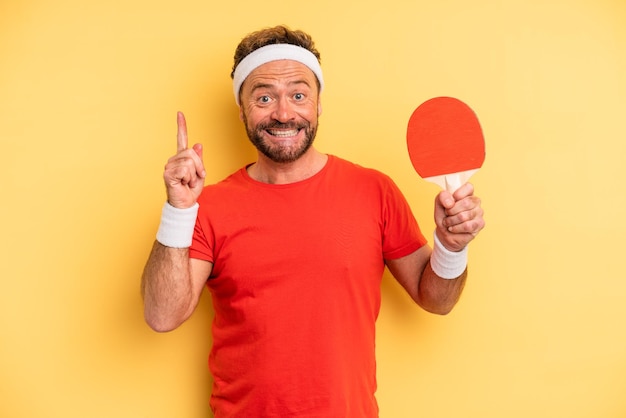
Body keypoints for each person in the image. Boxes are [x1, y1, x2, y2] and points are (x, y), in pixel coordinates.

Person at [141, 25, 485, 417]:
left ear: (319, 104)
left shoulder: (373, 190)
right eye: (265, 97)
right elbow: (162, 315)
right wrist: (179, 210)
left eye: (299, 95)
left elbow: (436, 299)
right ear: (242, 110)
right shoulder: (209, 206)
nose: (284, 113)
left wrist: (452, 246)